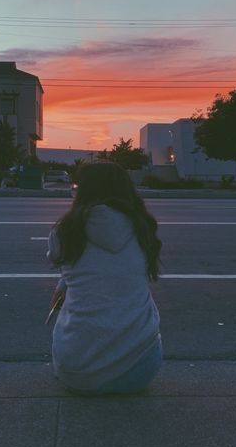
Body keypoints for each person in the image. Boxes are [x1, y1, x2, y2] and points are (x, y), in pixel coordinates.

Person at [46, 162, 163, 394]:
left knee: (71, 300)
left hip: (77, 373)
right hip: (139, 372)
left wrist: (64, 283)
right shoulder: (143, 228)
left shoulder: (64, 231)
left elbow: (62, 262)